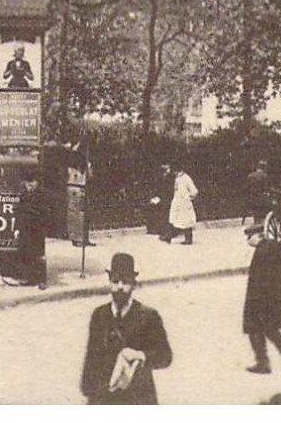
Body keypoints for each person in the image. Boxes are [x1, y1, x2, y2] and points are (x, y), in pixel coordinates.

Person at [80, 253, 174, 404]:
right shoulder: (99, 315)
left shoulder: (148, 316)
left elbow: (165, 356)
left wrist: (140, 355)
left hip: (138, 397)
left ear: (134, 284)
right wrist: (88, 391)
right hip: (105, 395)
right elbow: (92, 356)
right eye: (115, 281)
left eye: (125, 282)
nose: (120, 287)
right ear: (109, 282)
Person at [241, 222, 281, 374]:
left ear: (256, 236)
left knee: (255, 329)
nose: (248, 242)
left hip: (261, 298)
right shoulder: (270, 247)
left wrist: (257, 300)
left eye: (249, 237)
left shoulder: (263, 251)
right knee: (269, 329)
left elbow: (261, 278)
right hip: (271, 297)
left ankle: (264, 362)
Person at [167, 165, 199, 245]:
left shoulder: (186, 178)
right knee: (176, 220)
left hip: (184, 203)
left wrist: (188, 198)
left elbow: (194, 191)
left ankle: (188, 239)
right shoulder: (178, 178)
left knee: (186, 221)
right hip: (178, 203)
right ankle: (169, 236)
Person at [245, 161, 273, 225]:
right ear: (264, 168)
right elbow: (267, 188)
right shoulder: (264, 176)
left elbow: (247, 188)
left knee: (256, 213)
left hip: (252, 199)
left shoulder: (250, 176)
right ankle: (263, 224)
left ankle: (256, 223)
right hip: (262, 199)